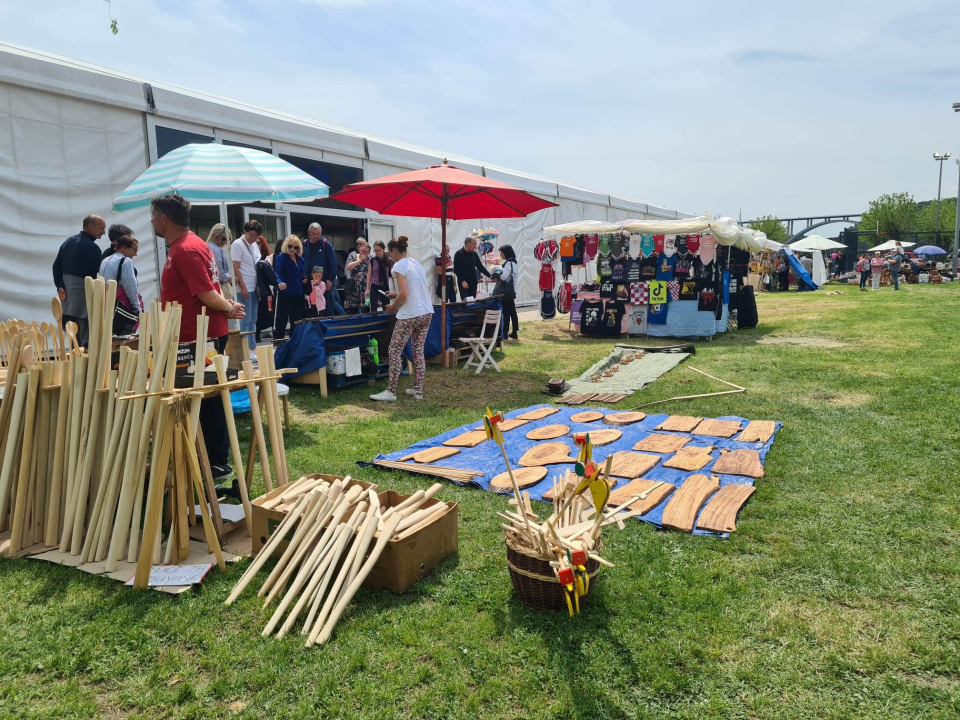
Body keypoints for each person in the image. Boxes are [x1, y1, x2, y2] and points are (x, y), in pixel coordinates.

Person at [151, 193, 245, 480]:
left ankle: (217, 461)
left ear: (164, 218)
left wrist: (228, 306)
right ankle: (204, 454)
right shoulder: (185, 246)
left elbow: (205, 293)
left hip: (199, 338)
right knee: (201, 397)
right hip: (192, 336)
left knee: (208, 398)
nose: (152, 222)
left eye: (153, 216)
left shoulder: (188, 249)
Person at [370, 236, 434, 402]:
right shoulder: (416, 263)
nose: (389, 257)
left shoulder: (398, 265)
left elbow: (405, 294)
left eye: (389, 254)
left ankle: (391, 391)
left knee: (394, 350)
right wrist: (395, 295)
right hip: (426, 312)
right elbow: (413, 290)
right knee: (418, 351)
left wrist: (392, 307)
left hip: (410, 314)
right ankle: (417, 391)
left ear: (393, 251)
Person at [52, 213, 106, 346]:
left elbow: (56, 266)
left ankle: (75, 365)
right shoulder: (92, 248)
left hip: (68, 300)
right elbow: (104, 272)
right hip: (84, 301)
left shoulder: (68, 242)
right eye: (101, 228)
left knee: (72, 338)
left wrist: (60, 286)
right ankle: (87, 366)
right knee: (86, 340)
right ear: (90, 227)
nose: (104, 232)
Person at [231, 220, 262, 361]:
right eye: (251, 235)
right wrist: (242, 286)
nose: (253, 238)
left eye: (256, 236)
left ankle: (252, 347)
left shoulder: (254, 244)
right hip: (245, 286)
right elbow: (235, 267)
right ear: (245, 232)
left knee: (253, 319)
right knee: (245, 319)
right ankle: (245, 349)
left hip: (254, 285)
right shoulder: (237, 244)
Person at [302, 222, 344, 315]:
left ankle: (336, 321)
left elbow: (333, 263)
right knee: (312, 304)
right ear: (309, 232)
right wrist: (304, 276)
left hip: (324, 281)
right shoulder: (304, 244)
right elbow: (301, 262)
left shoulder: (326, 244)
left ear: (321, 233)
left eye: (318, 233)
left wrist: (330, 279)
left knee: (328, 304)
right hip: (310, 282)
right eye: (313, 233)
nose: (316, 236)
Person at [99, 234, 142, 319]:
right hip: (121, 306)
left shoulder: (105, 260)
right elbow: (130, 286)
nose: (136, 254)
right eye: (135, 250)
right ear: (124, 247)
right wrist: (137, 307)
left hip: (105, 303)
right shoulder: (126, 261)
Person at [274, 235, 306, 339]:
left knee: (297, 320)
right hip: (286, 292)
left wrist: (305, 278)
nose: (292, 249)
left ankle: (294, 342)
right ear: (285, 246)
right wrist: (279, 283)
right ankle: (280, 342)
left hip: (299, 292)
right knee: (282, 319)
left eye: (296, 247)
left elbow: (302, 273)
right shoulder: (281, 257)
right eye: (290, 246)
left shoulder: (300, 259)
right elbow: (276, 273)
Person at [454, 235, 492, 301]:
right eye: (474, 244)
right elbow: (456, 269)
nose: (475, 246)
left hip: (473, 281)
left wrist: (490, 276)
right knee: (466, 300)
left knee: (472, 301)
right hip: (463, 281)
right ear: (467, 243)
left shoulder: (474, 254)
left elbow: (480, 267)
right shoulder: (459, 254)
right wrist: (462, 280)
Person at [493, 244, 519, 339]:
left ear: (506, 253)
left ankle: (505, 332)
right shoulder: (513, 262)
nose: (501, 255)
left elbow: (504, 277)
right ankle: (514, 331)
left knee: (506, 312)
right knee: (512, 311)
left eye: (501, 252)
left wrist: (497, 272)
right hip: (511, 290)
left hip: (506, 291)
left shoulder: (508, 263)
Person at [254, 235, 277, 342]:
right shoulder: (250, 256)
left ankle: (266, 330)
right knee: (256, 312)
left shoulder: (268, 258)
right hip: (254, 288)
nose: (256, 244)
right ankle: (256, 333)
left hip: (267, 290)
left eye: (258, 243)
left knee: (267, 311)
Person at [344, 237, 371, 313]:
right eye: (362, 251)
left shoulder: (370, 259)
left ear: (369, 252)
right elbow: (348, 267)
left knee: (367, 306)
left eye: (366, 252)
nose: (363, 253)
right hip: (354, 287)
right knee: (353, 308)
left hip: (366, 287)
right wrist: (359, 260)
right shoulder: (354, 256)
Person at [206, 224, 233, 294]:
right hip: (218, 287)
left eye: (228, 239)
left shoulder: (208, 246)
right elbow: (219, 273)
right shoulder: (215, 250)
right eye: (223, 239)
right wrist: (231, 278)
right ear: (215, 236)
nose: (225, 242)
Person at [366, 240, 392, 312]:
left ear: (383, 249)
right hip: (375, 285)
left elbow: (393, 276)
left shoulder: (389, 261)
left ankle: (386, 320)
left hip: (385, 285)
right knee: (373, 306)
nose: (377, 252)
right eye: (375, 251)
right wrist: (367, 288)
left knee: (385, 305)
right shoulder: (372, 260)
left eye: (379, 250)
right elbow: (369, 275)